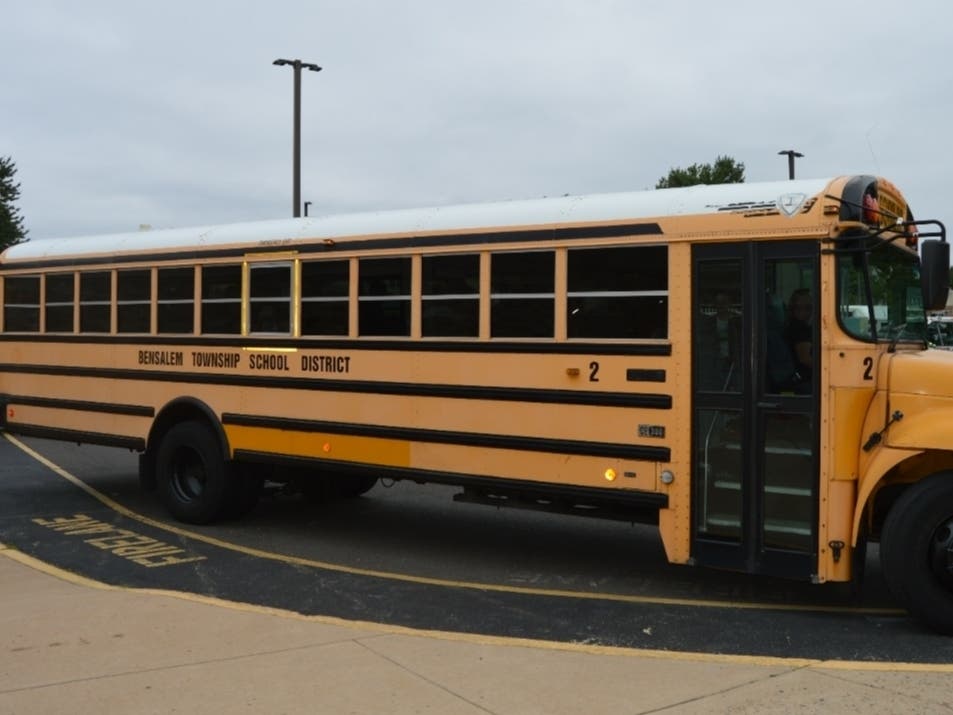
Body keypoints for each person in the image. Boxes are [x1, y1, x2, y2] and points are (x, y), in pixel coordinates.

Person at [785, 288, 813, 391]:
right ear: (793, 309)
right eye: (799, 308)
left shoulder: (795, 326)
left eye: (808, 308)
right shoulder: (799, 329)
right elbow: (805, 359)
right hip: (803, 380)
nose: (804, 312)